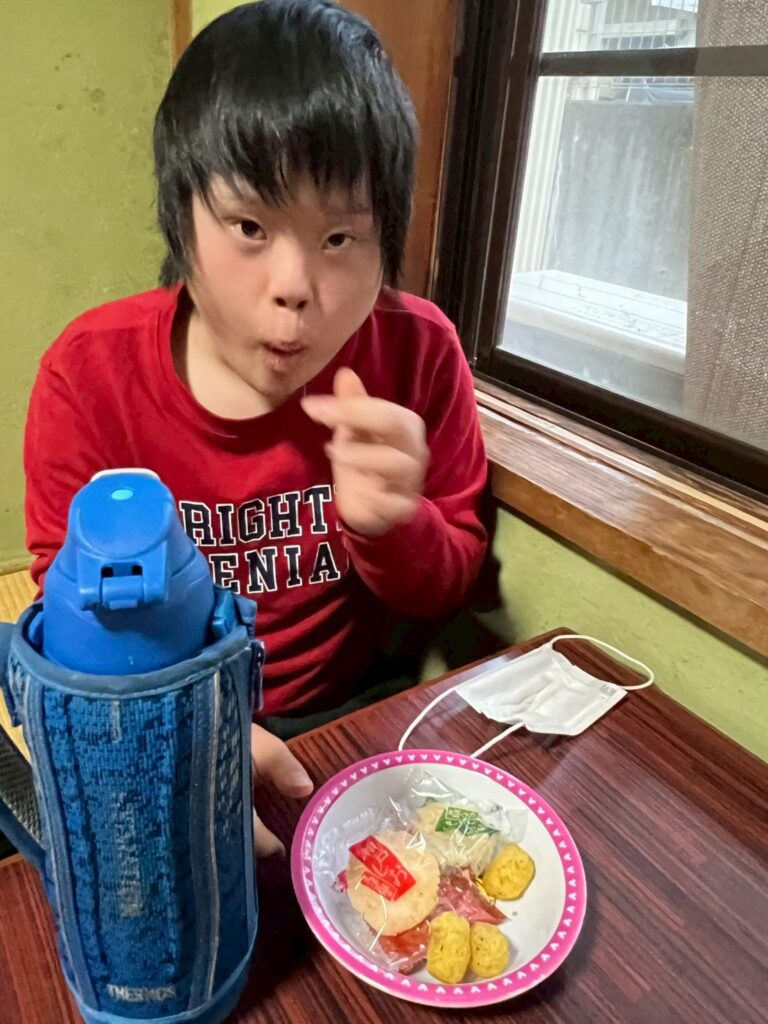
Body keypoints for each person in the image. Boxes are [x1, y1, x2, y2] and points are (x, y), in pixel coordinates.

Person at [23, 0, 488, 845]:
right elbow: (68, 621)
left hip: (347, 722)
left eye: (340, 237)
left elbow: (449, 582)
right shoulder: (88, 377)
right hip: (152, 719)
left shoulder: (418, 352)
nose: (294, 288)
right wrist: (191, 740)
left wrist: (394, 527)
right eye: (248, 226)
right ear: (181, 216)